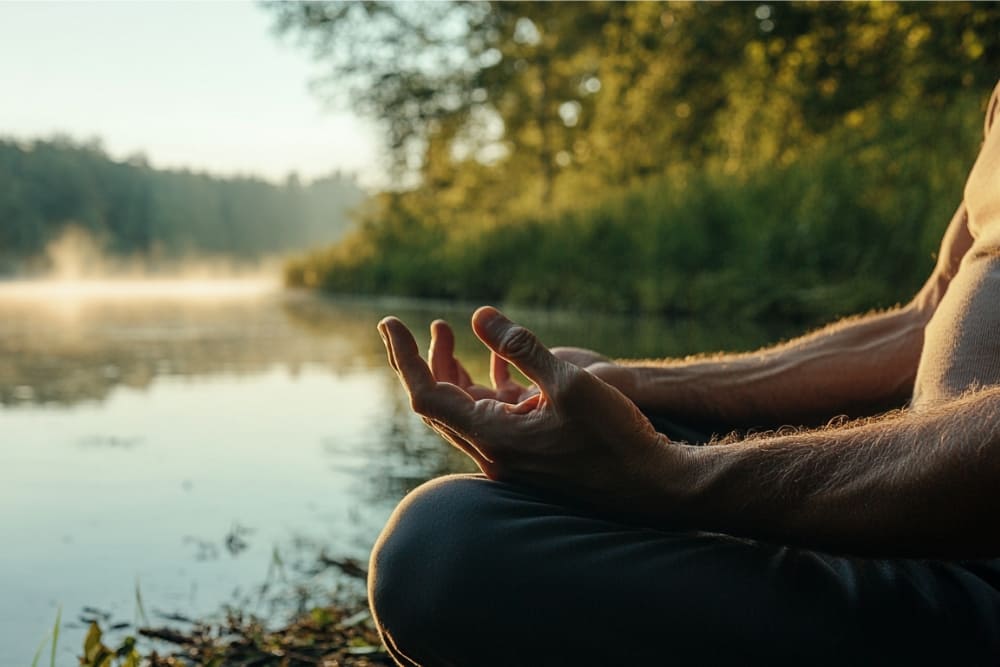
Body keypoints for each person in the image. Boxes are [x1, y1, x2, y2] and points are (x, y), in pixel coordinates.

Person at [367, 81, 1000, 666]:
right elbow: (919, 324)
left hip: (973, 557)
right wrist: (632, 385)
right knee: (543, 473)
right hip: (911, 486)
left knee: (441, 549)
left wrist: (669, 478)